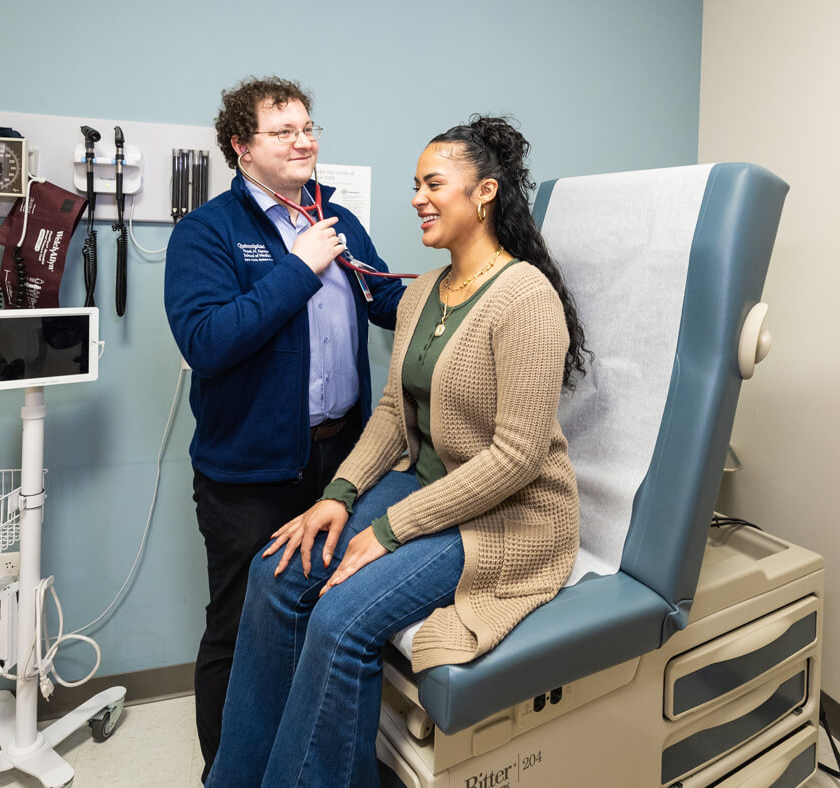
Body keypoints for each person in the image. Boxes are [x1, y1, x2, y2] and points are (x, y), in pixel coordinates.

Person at [205, 115, 588, 787]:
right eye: (415, 184)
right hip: (427, 486)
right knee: (276, 573)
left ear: (486, 193)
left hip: (508, 515)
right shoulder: (420, 294)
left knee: (340, 619)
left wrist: (388, 529)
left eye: (434, 183)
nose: (417, 197)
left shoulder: (526, 296)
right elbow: (391, 415)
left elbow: (516, 458)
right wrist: (338, 497)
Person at [163, 75, 405, 778]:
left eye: (309, 127)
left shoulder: (338, 220)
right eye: (284, 130)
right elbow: (208, 341)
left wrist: (464, 279)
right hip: (249, 474)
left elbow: (387, 302)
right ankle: (230, 770)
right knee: (242, 631)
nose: (304, 141)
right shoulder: (207, 233)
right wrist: (298, 269)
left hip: (341, 464)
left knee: (328, 619)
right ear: (241, 146)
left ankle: (301, 764)